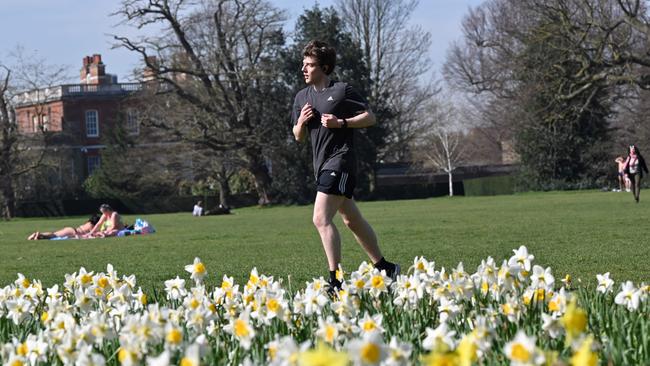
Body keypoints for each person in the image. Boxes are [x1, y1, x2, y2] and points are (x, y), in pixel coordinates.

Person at [291, 40, 400, 293]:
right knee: (351, 220)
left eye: (310, 65)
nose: (304, 69)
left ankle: (336, 281)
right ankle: (386, 268)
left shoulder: (341, 91)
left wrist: (341, 123)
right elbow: (298, 136)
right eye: (303, 64)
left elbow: (370, 117)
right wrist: (301, 121)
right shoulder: (301, 97)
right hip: (321, 165)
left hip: (341, 161)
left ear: (325, 67)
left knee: (320, 218)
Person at [27, 214, 100, 240]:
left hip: (72, 229)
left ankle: (38, 236)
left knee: (54, 234)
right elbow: (91, 234)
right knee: (54, 235)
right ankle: (38, 234)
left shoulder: (87, 223)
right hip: (73, 231)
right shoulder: (91, 226)